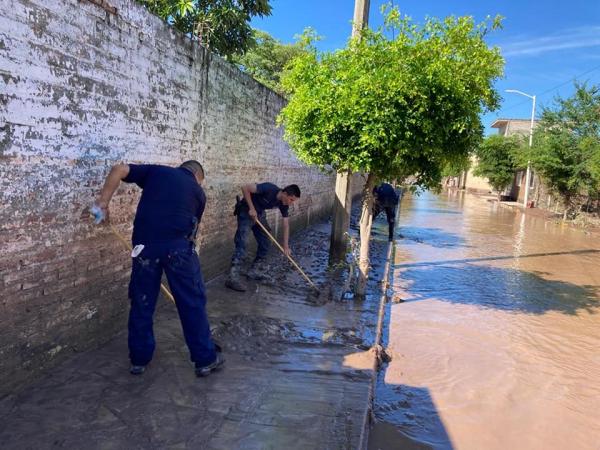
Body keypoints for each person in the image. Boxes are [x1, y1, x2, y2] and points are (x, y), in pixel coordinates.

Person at [92, 161, 223, 377]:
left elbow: (119, 169)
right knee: (192, 304)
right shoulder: (198, 193)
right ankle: (205, 359)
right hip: (179, 252)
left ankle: (139, 360)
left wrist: (103, 204)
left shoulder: (157, 172)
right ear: (197, 176)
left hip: (145, 250)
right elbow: (194, 230)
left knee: (142, 302)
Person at [225, 183, 301, 292]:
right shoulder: (269, 189)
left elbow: (286, 225)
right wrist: (251, 208)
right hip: (246, 210)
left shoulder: (284, 204)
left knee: (265, 242)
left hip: (259, 214)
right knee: (242, 242)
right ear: (285, 193)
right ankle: (232, 277)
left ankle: (254, 271)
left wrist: (285, 246)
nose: (291, 203)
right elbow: (245, 188)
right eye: (291, 199)